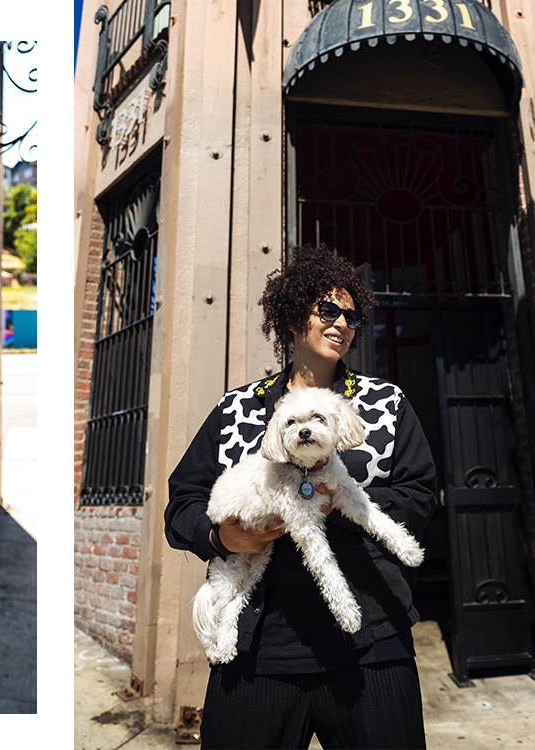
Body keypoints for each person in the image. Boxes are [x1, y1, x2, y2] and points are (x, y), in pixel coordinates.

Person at [165, 243, 436, 749]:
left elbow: (420, 496)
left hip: (371, 643)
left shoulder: (384, 403)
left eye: (351, 316)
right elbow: (181, 500)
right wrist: (220, 536)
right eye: (327, 310)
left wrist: (342, 509)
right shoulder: (238, 408)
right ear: (293, 317)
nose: (341, 323)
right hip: (258, 651)